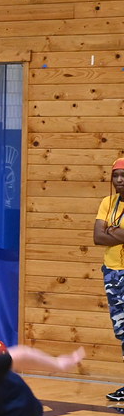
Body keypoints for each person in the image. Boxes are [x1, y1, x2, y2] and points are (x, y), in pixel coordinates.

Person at [92, 156, 124, 402]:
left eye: (123, 176)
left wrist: (110, 231)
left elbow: (106, 233)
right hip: (113, 273)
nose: (119, 180)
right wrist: (116, 233)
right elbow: (98, 237)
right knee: (122, 331)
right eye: (116, 175)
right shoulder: (108, 202)